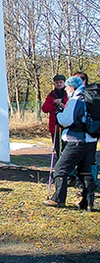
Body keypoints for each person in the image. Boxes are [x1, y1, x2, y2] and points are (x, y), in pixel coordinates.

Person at [44, 76, 97, 211]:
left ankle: (58, 199)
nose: (66, 90)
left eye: (67, 87)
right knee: (86, 171)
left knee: (61, 168)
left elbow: (67, 120)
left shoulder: (76, 99)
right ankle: (88, 202)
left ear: (72, 87)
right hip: (91, 140)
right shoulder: (90, 98)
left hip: (75, 139)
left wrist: (59, 115)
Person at [41, 74, 68, 160]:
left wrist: (63, 102)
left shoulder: (68, 93)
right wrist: (54, 103)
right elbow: (45, 108)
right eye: (57, 82)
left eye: (61, 82)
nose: (59, 84)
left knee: (66, 147)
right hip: (54, 126)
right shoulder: (51, 95)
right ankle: (58, 162)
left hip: (66, 126)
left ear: (64, 83)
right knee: (57, 147)